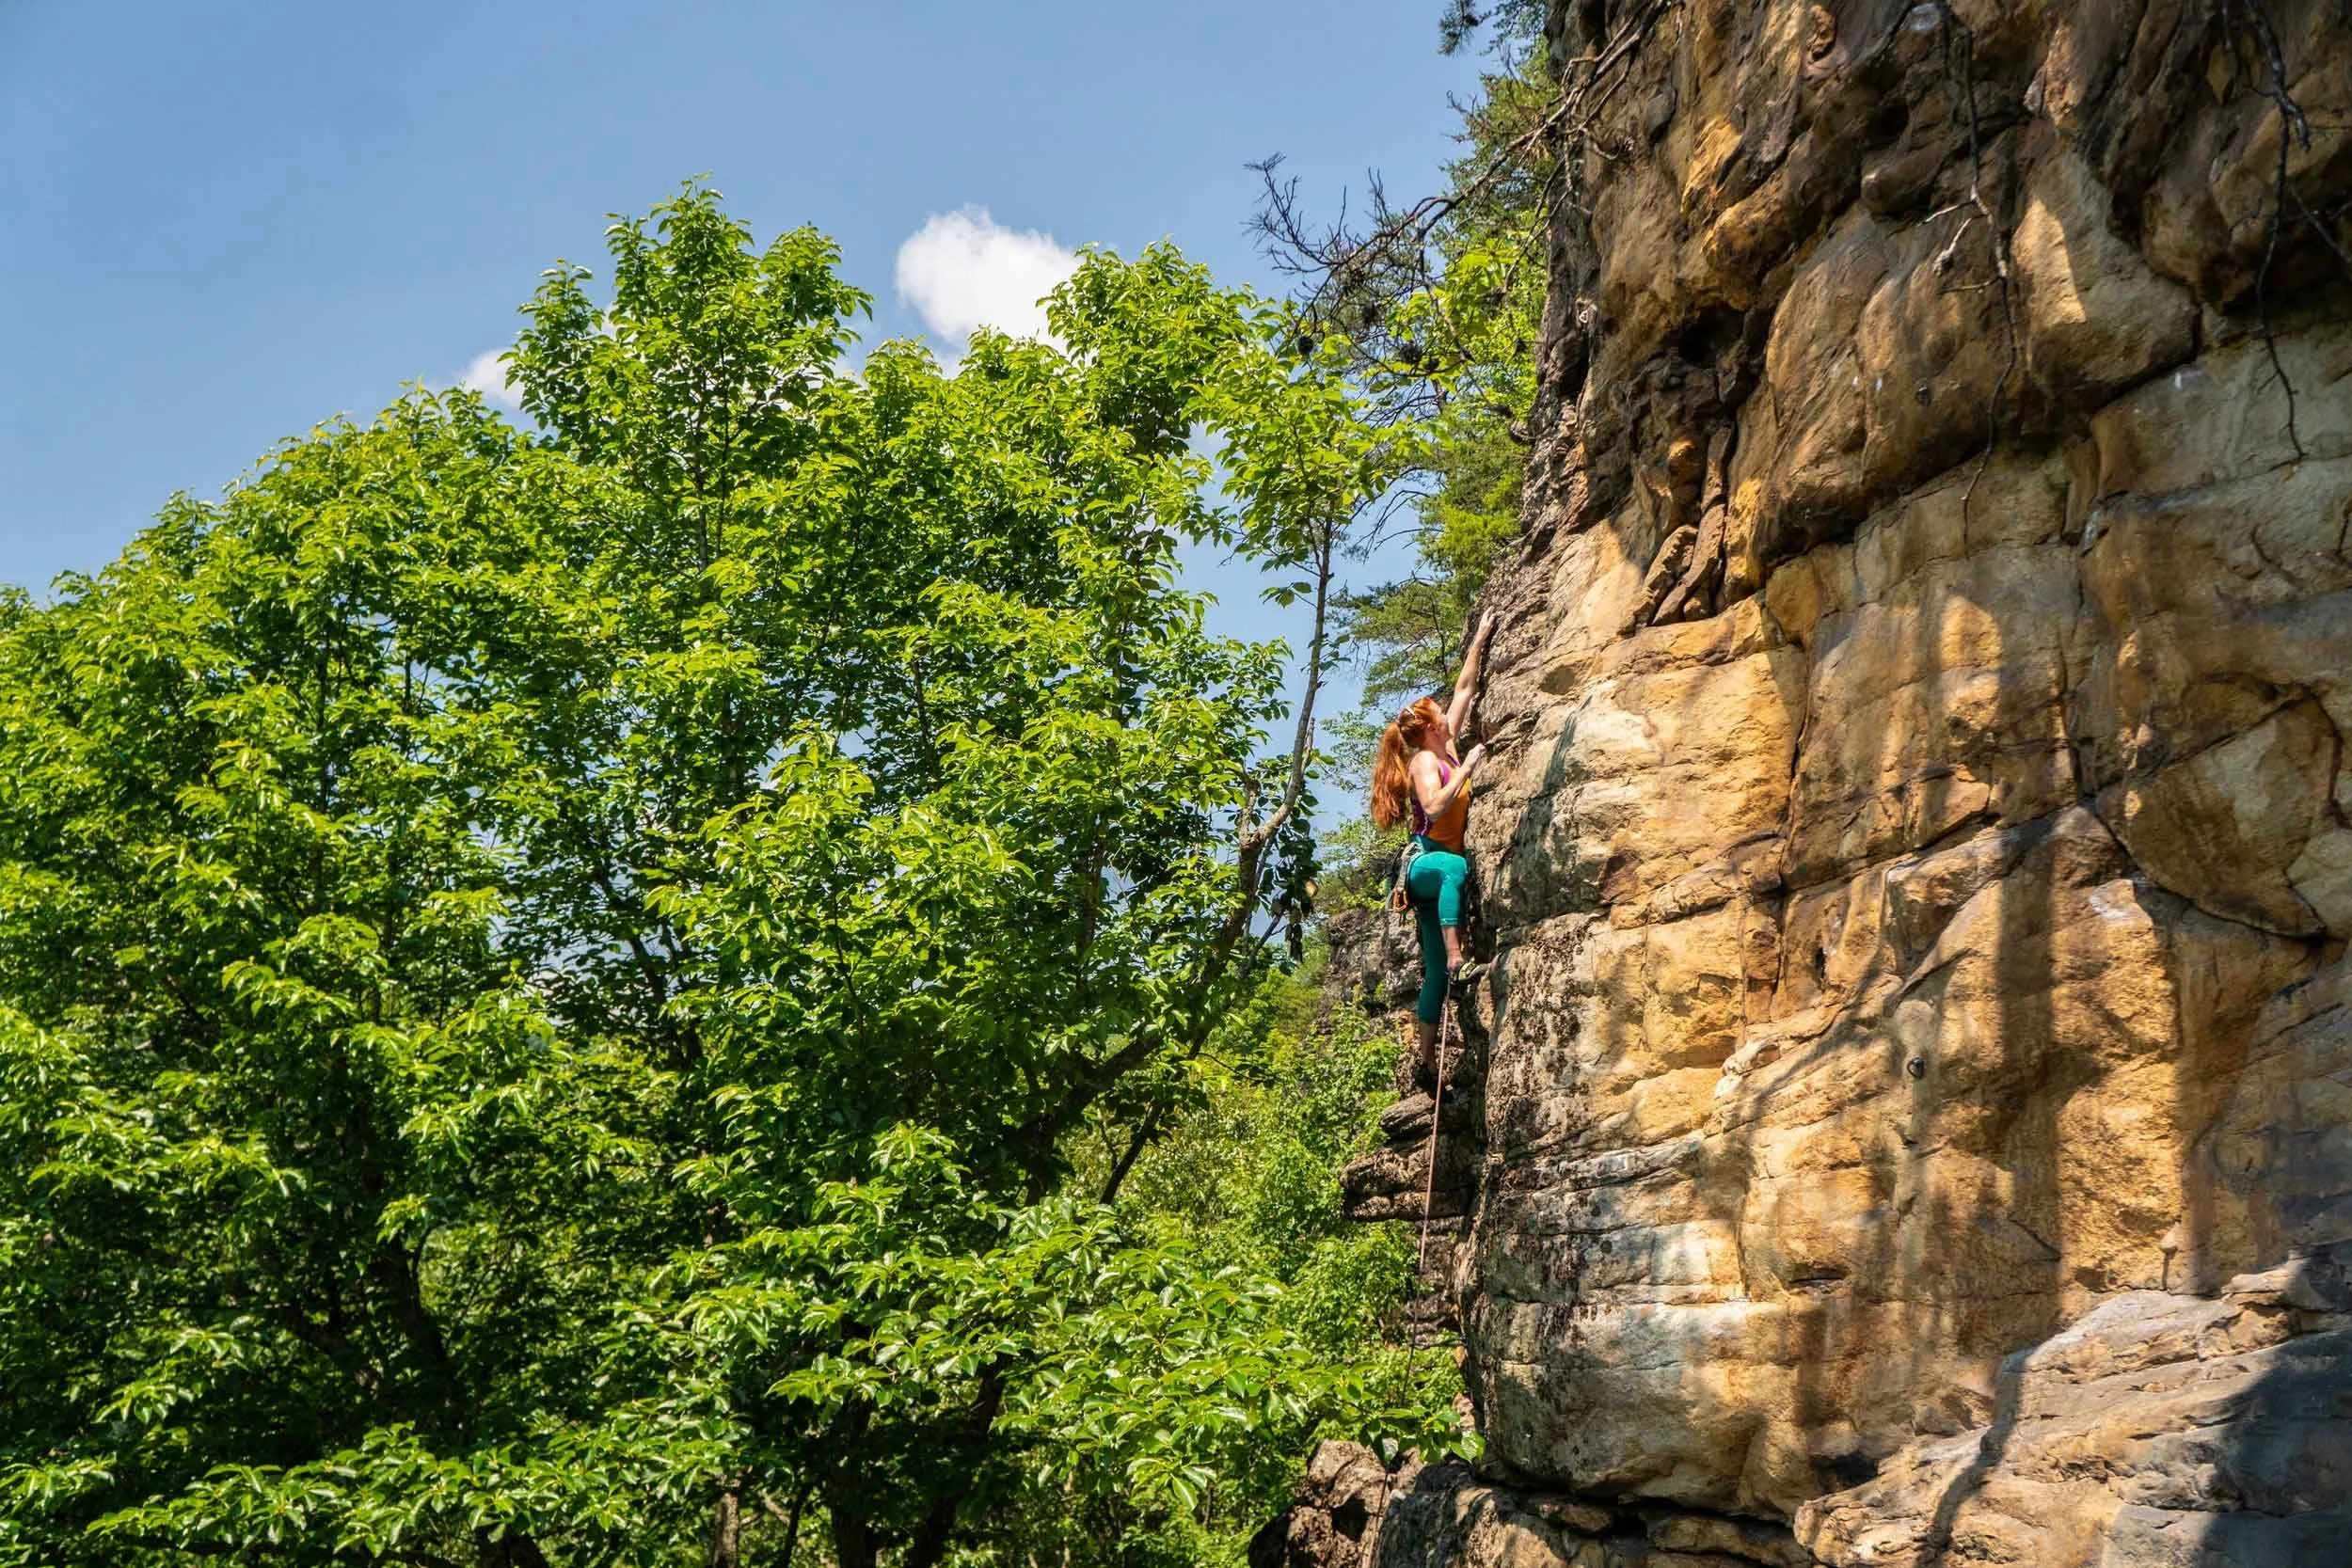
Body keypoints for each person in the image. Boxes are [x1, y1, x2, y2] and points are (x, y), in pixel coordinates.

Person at [1370, 610, 1498, 1090]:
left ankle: (1425, 1063)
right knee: (1453, 866)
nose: (1447, 712)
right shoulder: (1427, 760)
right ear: (1429, 728)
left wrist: (1480, 637)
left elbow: (1464, 687)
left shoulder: (1444, 744)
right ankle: (1456, 958)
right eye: (1438, 712)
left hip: (1434, 875)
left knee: (1433, 981)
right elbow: (1435, 805)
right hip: (1423, 863)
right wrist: (1467, 768)